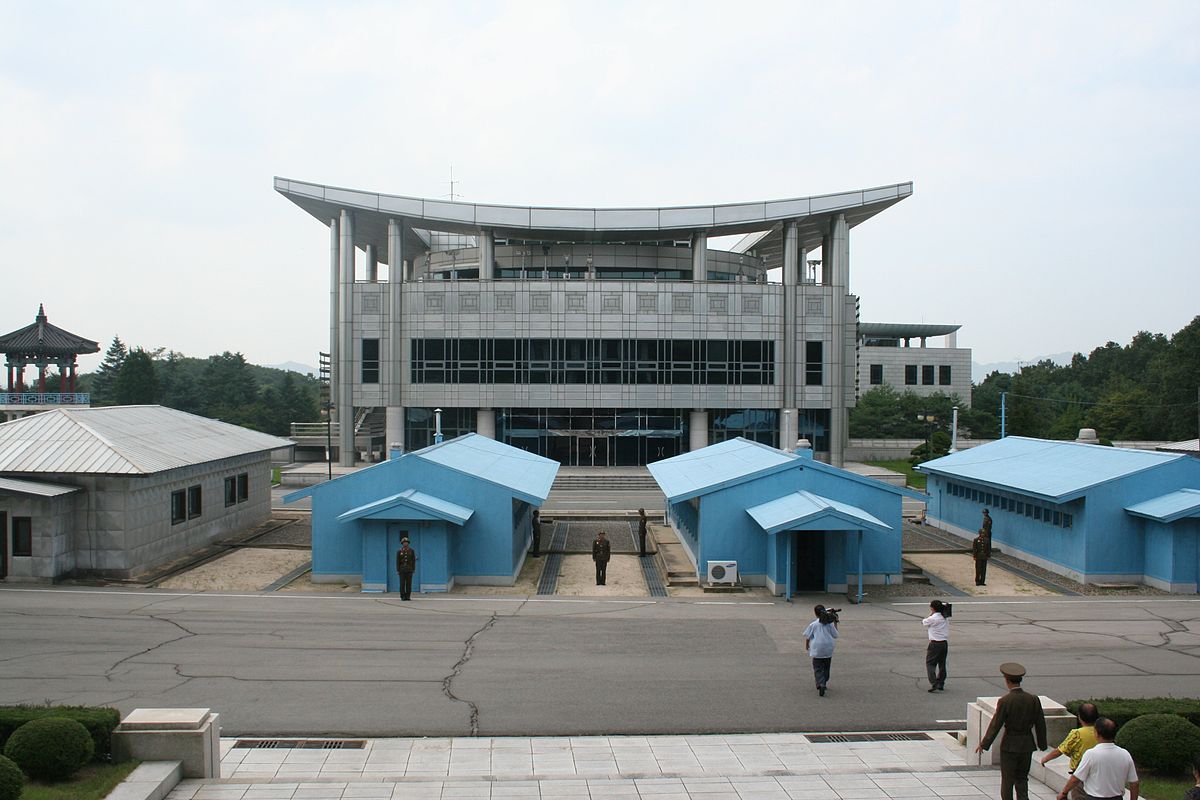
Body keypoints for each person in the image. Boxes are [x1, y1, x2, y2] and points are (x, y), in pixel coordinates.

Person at [975, 662, 1047, 800]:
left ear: (1007, 680)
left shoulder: (1005, 700)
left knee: (1007, 780)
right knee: (1022, 778)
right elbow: (1040, 723)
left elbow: (996, 724)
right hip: (1027, 743)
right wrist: (1042, 744)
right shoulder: (1033, 699)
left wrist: (984, 744)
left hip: (1010, 744)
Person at [1056, 717, 1138, 800]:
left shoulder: (1091, 754)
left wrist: (1064, 793)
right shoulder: (1125, 754)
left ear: (1096, 733)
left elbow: (1076, 779)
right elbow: (1134, 783)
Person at [1039, 702, 1100, 800]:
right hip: (1098, 774)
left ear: (1080, 717)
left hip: (1080, 775)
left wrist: (1045, 759)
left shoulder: (1077, 733)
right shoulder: (1101, 732)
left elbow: (1060, 750)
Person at [803, 604, 839, 697]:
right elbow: (835, 635)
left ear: (815, 614)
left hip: (817, 649)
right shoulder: (829, 624)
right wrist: (835, 622)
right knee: (826, 667)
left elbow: (808, 636)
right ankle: (824, 681)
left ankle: (820, 683)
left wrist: (807, 645)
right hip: (828, 648)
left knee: (818, 668)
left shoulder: (813, 624)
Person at [922, 600, 949, 692]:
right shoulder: (945, 617)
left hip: (935, 643)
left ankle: (934, 682)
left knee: (930, 663)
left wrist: (931, 613)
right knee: (942, 663)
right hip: (944, 643)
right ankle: (941, 682)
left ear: (932, 608)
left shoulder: (932, 618)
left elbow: (924, 622)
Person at [395, 537, 417, 601]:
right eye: (404, 542)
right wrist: (398, 570)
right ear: (402, 543)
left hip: (409, 569)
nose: (405, 543)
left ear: (408, 543)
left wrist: (413, 569)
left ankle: (408, 596)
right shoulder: (399, 551)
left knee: (408, 584)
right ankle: (402, 596)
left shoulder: (411, 551)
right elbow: (397, 561)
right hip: (402, 569)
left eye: (406, 542)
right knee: (402, 584)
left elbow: (413, 561)